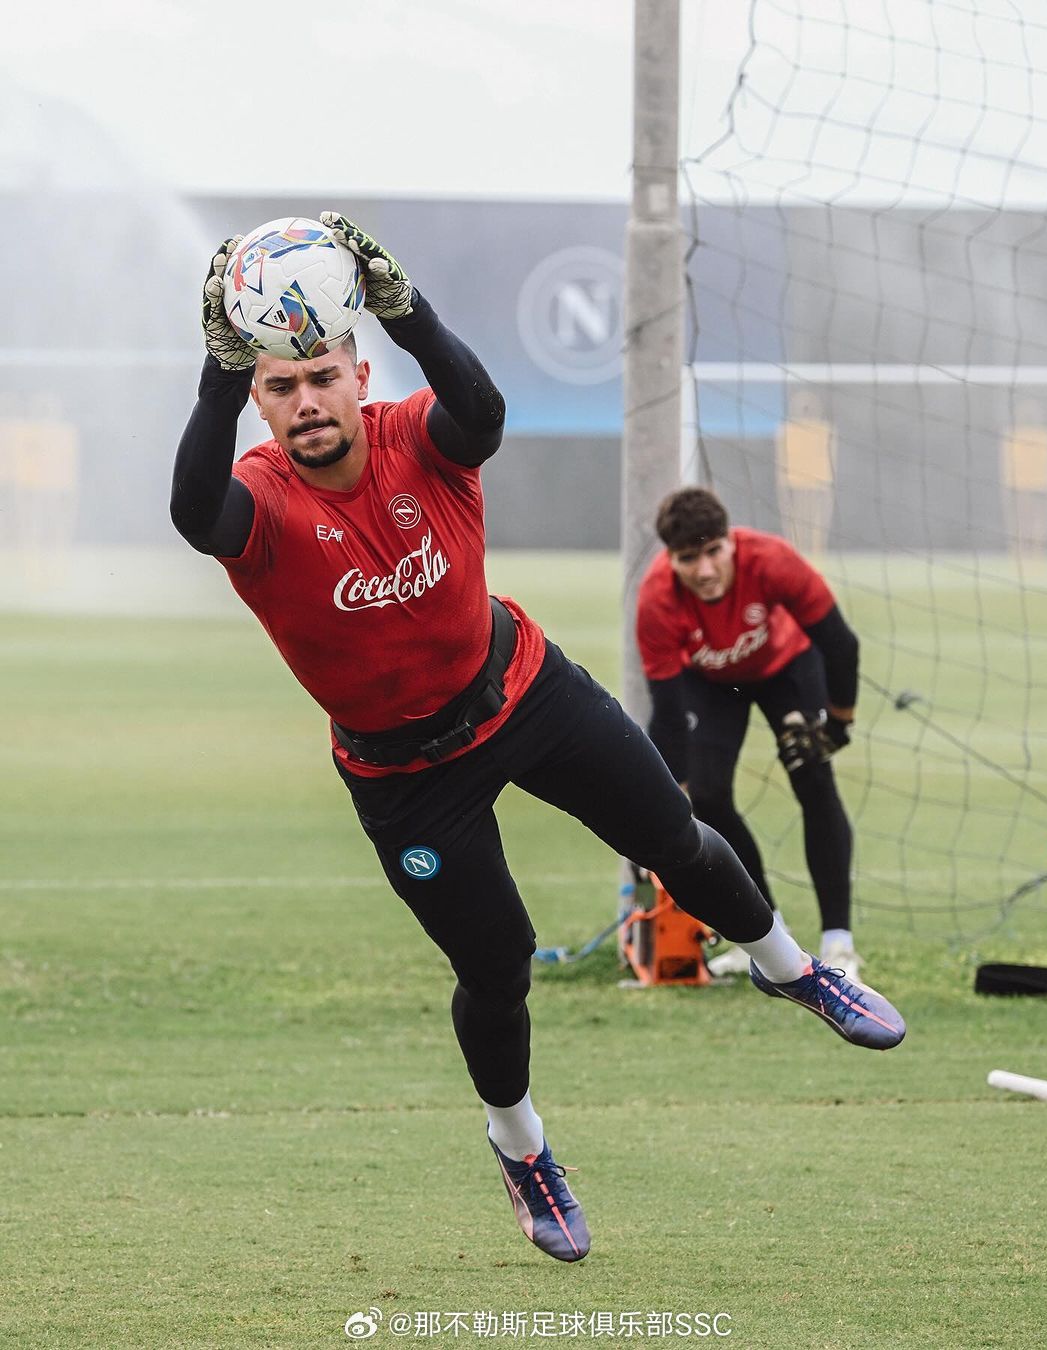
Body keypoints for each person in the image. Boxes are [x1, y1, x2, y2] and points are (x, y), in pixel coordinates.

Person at [172, 215, 905, 1266]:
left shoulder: (416, 434)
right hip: (404, 777)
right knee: (499, 967)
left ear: (355, 369)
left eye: (323, 377)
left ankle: (792, 969)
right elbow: (196, 512)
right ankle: (519, 1145)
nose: (308, 403)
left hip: (522, 691)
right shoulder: (262, 502)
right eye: (282, 388)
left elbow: (484, 411)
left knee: (680, 840)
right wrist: (214, 371)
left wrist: (406, 306)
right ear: (261, 398)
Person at [636, 486, 862, 979]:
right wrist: (671, 786)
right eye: (689, 558)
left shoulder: (773, 560)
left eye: (714, 551)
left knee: (813, 779)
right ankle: (764, 938)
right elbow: (668, 709)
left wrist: (838, 722)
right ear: (671, 558)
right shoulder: (655, 598)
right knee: (708, 797)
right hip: (712, 685)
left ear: (731, 541)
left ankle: (839, 945)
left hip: (788, 668)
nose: (705, 570)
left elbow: (840, 644)